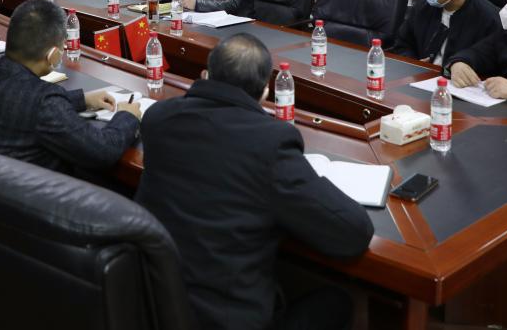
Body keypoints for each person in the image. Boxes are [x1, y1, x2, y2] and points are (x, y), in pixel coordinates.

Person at [136, 34, 374, 330]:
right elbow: (354, 234)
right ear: (265, 93)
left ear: (205, 75)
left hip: (153, 300)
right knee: (340, 300)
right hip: (225, 318)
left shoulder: (158, 117)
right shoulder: (270, 142)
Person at [0, 0, 141, 175]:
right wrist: (127, 116)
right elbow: (102, 151)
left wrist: (82, 100)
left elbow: (16, 99)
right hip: (17, 199)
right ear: (53, 55)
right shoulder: (45, 103)